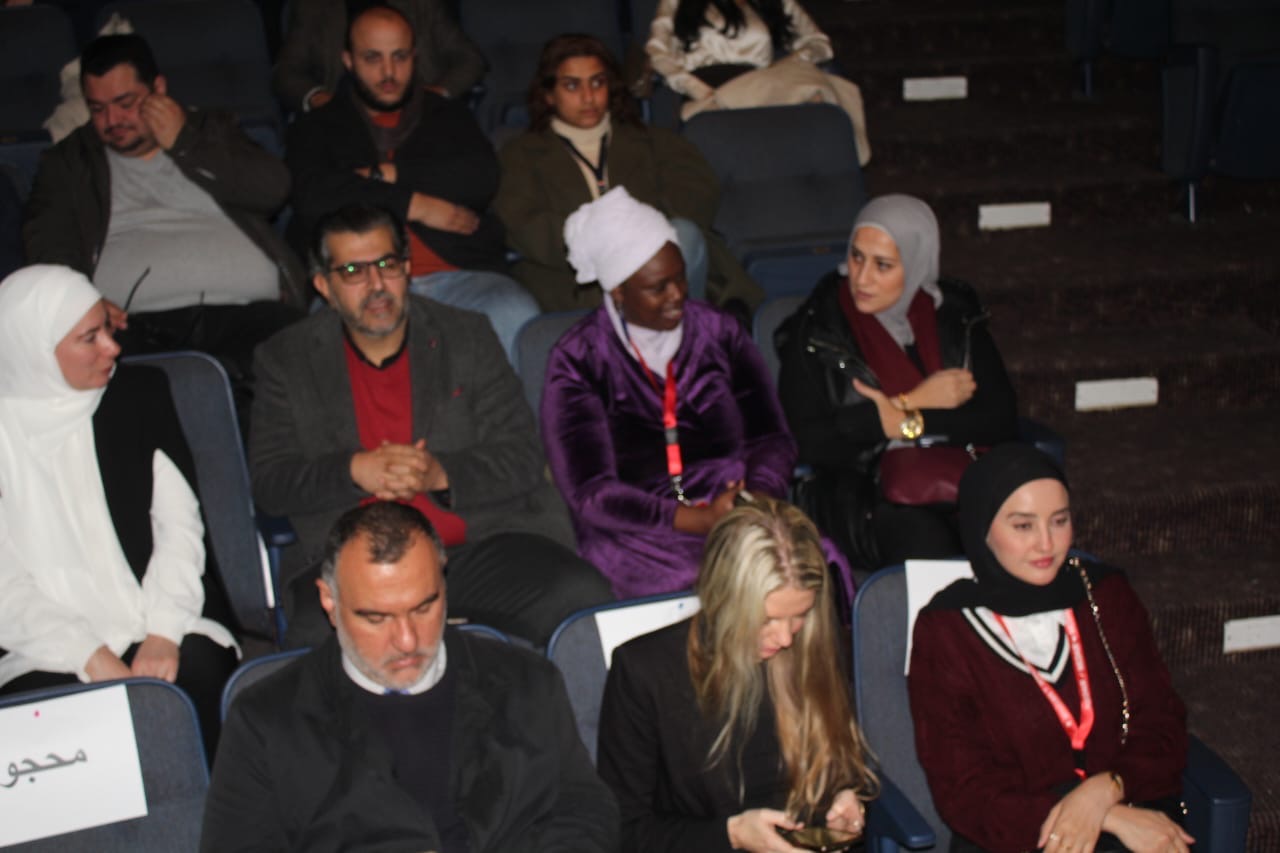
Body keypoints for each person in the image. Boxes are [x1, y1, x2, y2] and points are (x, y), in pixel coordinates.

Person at [250, 202, 612, 647]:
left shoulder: (466, 335)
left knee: (581, 596)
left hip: (472, 548)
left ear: (407, 268)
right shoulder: (286, 359)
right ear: (325, 285)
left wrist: (441, 474)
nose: (376, 285)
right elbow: (272, 482)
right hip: (354, 563)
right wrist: (354, 471)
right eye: (354, 272)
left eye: (387, 264)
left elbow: (521, 455)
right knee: (314, 650)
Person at [201, 501, 618, 852]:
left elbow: (585, 811)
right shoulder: (267, 722)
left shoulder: (526, 681)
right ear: (329, 600)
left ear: (444, 580)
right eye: (376, 618)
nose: (407, 640)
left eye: (424, 607)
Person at [0, 264, 239, 752]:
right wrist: (88, 653)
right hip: (38, 642)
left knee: (192, 683)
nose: (112, 348)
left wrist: (163, 631)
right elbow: (6, 589)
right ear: (36, 350)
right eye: (89, 338)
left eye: (107, 329)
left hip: (161, 613)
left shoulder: (137, 395)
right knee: (55, 723)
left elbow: (179, 530)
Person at [908, 444, 1192, 853]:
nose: (1046, 544)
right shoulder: (947, 628)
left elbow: (1162, 724)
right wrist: (1100, 815)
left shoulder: (1105, 596)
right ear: (982, 529)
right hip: (1014, 839)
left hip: (1134, 817)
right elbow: (964, 792)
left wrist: (1107, 790)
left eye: (1059, 521)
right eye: (1023, 526)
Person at [22, 34, 306, 417]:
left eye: (126, 104)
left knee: (304, 358)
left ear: (158, 89)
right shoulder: (70, 161)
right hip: (134, 324)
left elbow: (274, 189)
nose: (112, 121)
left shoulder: (209, 129)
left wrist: (185, 142)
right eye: (98, 109)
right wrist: (80, 300)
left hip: (247, 312)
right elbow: (47, 242)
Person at [543, 187, 795, 598]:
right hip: (639, 529)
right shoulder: (578, 359)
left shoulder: (720, 331)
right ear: (618, 291)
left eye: (680, 277)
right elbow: (590, 493)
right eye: (658, 287)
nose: (677, 294)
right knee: (709, 579)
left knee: (812, 562)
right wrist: (696, 520)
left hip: (736, 503)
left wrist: (756, 497)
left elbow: (771, 437)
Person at [598, 496, 876, 851]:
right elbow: (625, 831)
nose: (785, 637)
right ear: (724, 600)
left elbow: (843, 765)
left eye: (800, 615)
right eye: (766, 620)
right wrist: (731, 835)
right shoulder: (646, 672)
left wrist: (845, 797)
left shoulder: (812, 645)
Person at [775, 194, 1017, 570]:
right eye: (856, 257)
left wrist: (906, 419)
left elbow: (999, 420)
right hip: (862, 493)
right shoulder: (817, 329)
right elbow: (807, 442)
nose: (861, 277)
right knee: (925, 542)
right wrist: (911, 402)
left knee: (1023, 525)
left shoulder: (956, 317)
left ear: (917, 262)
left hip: (958, 473)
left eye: (883, 265)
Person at [285, 3, 537, 363]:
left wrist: (387, 175)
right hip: (358, 285)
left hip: (458, 278)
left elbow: (480, 177)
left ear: (414, 58)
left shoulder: (446, 115)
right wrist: (418, 205)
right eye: (372, 58)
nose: (389, 72)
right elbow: (315, 196)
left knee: (515, 311)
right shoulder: (318, 126)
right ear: (348, 61)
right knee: (326, 343)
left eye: (400, 57)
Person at [495, 32, 763, 315]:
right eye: (572, 86)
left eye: (597, 82)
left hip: (661, 264)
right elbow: (524, 225)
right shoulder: (520, 155)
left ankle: (669, 334)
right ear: (549, 95)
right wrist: (606, 242)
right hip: (575, 282)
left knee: (683, 233)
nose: (588, 97)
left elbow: (696, 196)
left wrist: (636, 236)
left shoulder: (656, 141)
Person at [645, 0, 871, 164]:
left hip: (763, 87)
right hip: (710, 93)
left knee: (817, 89)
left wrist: (789, 64)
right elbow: (657, 54)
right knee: (813, 90)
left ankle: (834, 168)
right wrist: (697, 89)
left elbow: (819, 43)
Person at [273, 0, 485, 114]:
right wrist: (319, 98)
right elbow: (286, 71)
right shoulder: (313, 7)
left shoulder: (423, 4)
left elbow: (470, 59)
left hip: (419, 114)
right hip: (343, 117)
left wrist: (436, 93)